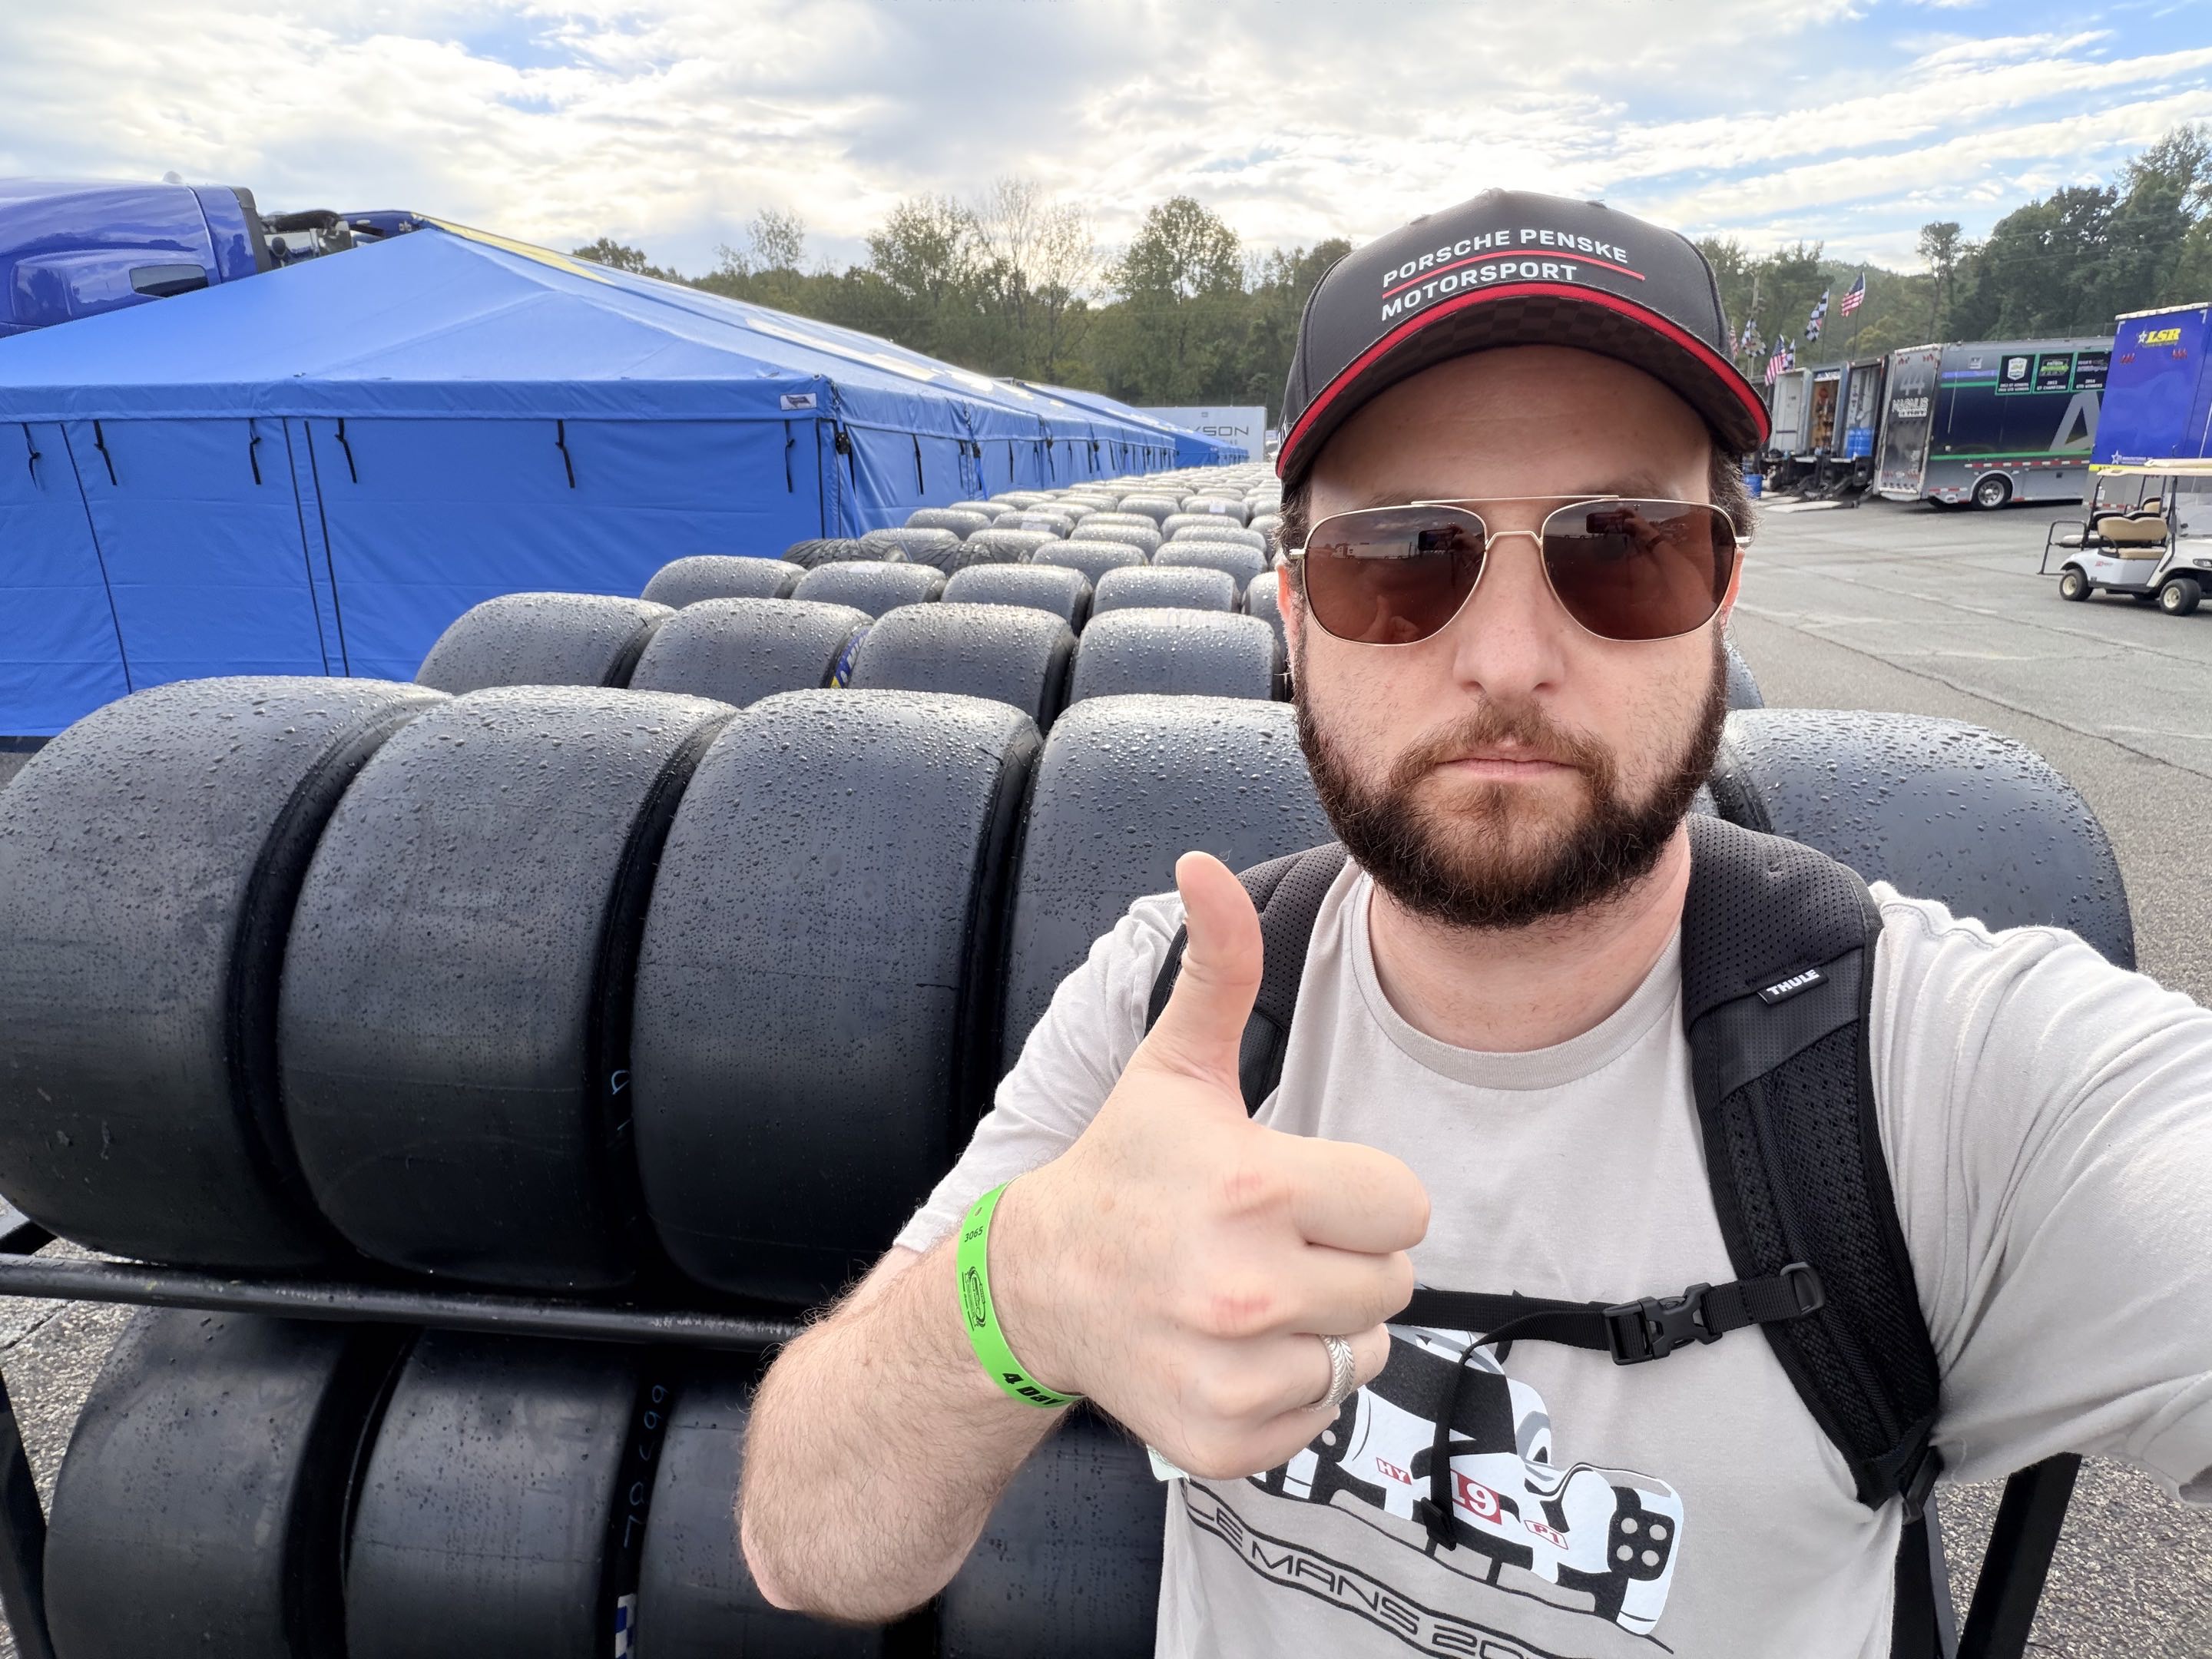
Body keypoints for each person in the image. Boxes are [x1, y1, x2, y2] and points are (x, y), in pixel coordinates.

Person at [738, 189, 2212, 1656]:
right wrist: (1021, 1289)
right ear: (1294, 615)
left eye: (1625, 546)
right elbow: (805, 1544)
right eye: (1404, 558)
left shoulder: (1946, 1083)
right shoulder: (1168, 1013)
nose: (1509, 660)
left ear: (1725, 597)